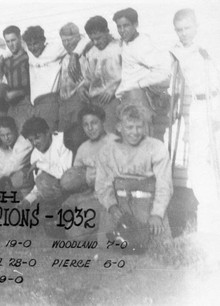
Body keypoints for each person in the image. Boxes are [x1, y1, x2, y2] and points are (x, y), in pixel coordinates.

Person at [170, 8, 220, 235]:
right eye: (179, 30)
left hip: (215, 100)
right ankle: (206, 211)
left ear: (197, 26)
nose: (183, 33)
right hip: (198, 106)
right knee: (198, 160)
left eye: (187, 28)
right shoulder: (178, 51)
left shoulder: (208, 46)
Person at [96, 104, 173, 242]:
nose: (135, 132)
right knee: (107, 245)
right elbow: (102, 184)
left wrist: (157, 213)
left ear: (145, 127)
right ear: (119, 127)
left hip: (146, 204)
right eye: (129, 127)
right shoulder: (107, 150)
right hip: (119, 205)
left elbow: (164, 184)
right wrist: (112, 207)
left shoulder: (156, 147)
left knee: (154, 244)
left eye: (139, 127)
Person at [113, 7, 172, 140]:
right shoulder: (126, 42)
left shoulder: (143, 45)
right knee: (129, 142)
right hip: (127, 98)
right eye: (119, 27)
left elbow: (163, 71)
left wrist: (140, 84)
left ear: (136, 24)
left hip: (138, 98)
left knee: (142, 140)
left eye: (126, 26)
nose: (122, 30)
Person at [59, 105, 116, 240]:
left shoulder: (114, 143)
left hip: (107, 198)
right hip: (89, 195)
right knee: (64, 213)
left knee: (75, 234)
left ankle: (105, 232)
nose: (90, 128)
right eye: (86, 125)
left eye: (94, 123)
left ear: (103, 121)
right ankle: (94, 224)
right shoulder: (83, 148)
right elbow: (76, 179)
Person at [21, 25, 87, 131]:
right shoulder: (29, 51)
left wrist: (75, 54)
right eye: (30, 45)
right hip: (34, 105)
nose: (33, 48)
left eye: (36, 44)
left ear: (43, 41)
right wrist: (2, 57)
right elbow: (15, 45)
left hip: (50, 102)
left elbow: (84, 39)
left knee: (49, 134)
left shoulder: (55, 49)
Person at [79, 15, 121, 134]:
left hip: (113, 100)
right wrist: (82, 87)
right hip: (94, 102)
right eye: (92, 39)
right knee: (95, 136)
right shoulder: (91, 52)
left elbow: (130, 74)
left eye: (99, 38)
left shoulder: (119, 48)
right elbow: (88, 77)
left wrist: (114, 88)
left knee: (111, 135)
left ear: (107, 32)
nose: (96, 42)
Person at [20, 117, 72, 206]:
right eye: (31, 140)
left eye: (37, 138)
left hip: (71, 187)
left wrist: (39, 164)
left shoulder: (62, 140)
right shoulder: (35, 155)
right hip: (55, 192)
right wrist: (28, 200)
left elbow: (64, 174)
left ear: (47, 133)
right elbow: (39, 185)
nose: (34, 143)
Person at [0, 116, 33, 197]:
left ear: (15, 130)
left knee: (16, 177)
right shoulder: (2, 149)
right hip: (8, 183)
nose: (6, 138)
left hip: (25, 182)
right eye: (2, 135)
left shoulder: (25, 144)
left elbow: (12, 167)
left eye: (8, 134)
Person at [57, 23, 91, 132]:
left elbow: (86, 40)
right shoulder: (65, 56)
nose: (66, 44)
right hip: (63, 102)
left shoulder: (86, 52)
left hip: (79, 100)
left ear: (78, 38)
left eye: (69, 40)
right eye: (64, 40)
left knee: (78, 133)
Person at [0, 25, 31, 131]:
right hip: (11, 106)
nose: (11, 44)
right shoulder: (6, 62)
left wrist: (18, 93)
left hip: (26, 103)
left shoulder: (28, 57)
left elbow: (33, 83)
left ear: (20, 38)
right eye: (7, 41)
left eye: (13, 40)